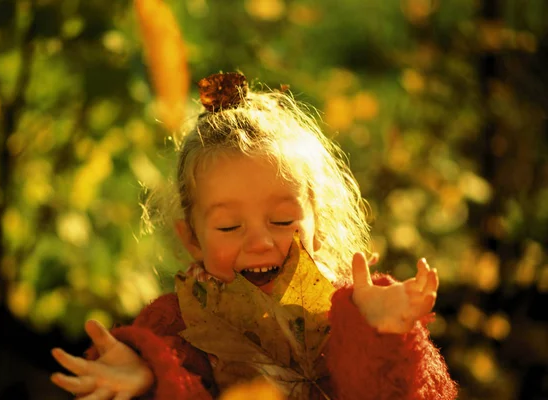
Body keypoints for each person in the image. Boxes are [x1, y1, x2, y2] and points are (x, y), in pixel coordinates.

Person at [50, 72, 458, 399]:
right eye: (229, 227)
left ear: (319, 219)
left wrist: (383, 336)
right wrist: (149, 374)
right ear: (192, 238)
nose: (260, 242)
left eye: (282, 221)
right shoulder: (177, 325)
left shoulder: (350, 310)